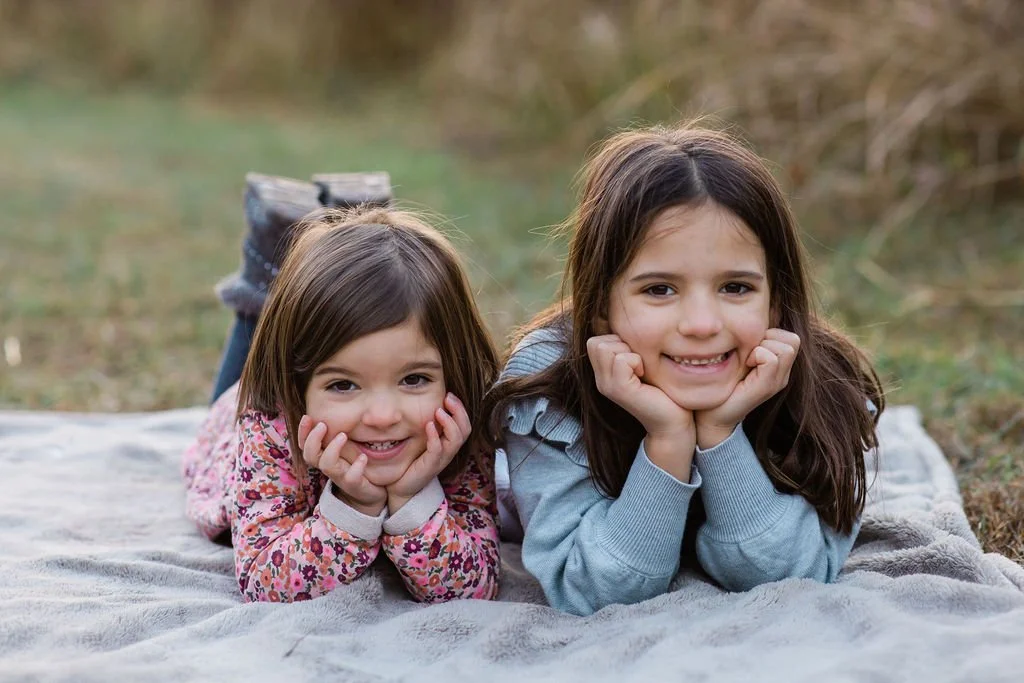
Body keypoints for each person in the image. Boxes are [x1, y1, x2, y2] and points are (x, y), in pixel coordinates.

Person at [484, 123, 885, 616]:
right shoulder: (549, 387)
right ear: (601, 306)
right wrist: (667, 439)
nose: (700, 325)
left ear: (777, 302)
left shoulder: (824, 383)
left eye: (735, 287)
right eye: (659, 289)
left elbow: (792, 575)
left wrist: (720, 432)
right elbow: (591, 589)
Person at [182, 206, 501, 603]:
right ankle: (264, 268)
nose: (383, 417)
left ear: (455, 372)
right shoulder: (269, 427)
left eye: (414, 379)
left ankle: (345, 217)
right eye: (344, 384)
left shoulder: (455, 425)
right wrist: (356, 507)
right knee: (254, 353)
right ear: (297, 390)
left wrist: (411, 500)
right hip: (230, 421)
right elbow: (266, 583)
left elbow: (474, 587)